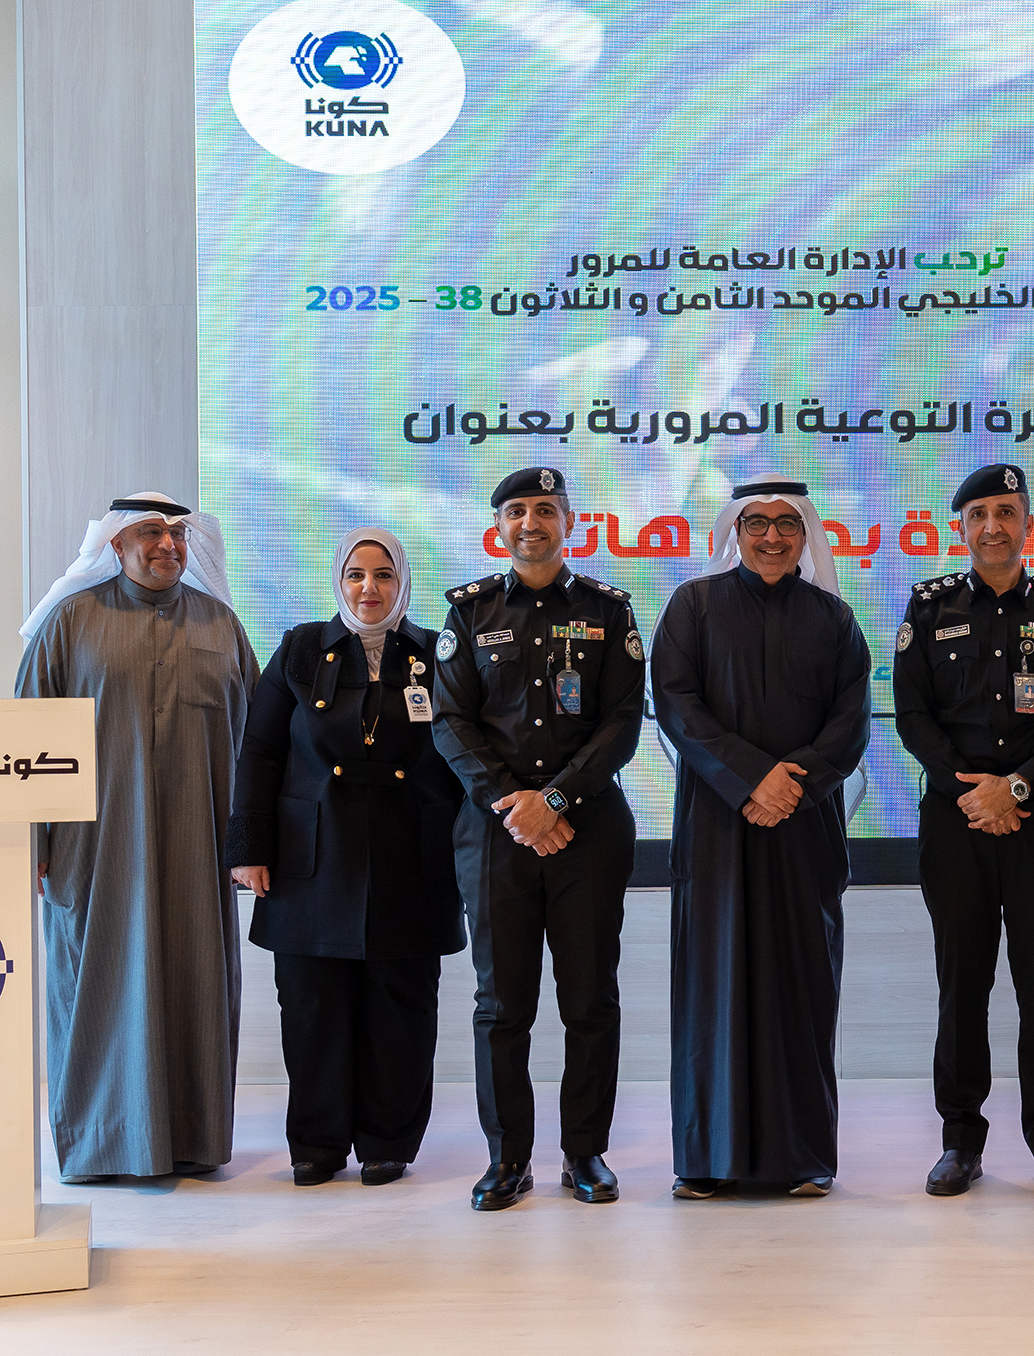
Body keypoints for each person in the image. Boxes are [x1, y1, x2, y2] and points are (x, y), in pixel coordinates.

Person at [15, 492, 257, 1182]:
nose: (167, 546)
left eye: (178, 535)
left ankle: (193, 1140)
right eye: (149, 533)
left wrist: (254, 846)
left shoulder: (221, 626)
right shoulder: (69, 623)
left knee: (196, 990)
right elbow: (31, 738)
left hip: (200, 852)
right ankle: (99, 1143)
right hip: (95, 855)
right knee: (96, 993)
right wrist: (34, 845)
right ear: (114, 545)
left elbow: (259, 748)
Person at [432, 465, 644, 1211]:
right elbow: (451, 722)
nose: (532, 522)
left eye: (546, 509)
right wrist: (512, 806)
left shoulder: (609, 610)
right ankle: (506, 1160)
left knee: (590, 1001)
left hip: (589, 831)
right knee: (502, 1005)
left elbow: (622, 722)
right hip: (495, 837)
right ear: (499, 528)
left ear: (569, 522)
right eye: (518, 511)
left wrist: (552, 800)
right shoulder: (470, 611)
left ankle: (585, 1155)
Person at [225, 528, 464, 1187]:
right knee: (312, 1004)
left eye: (383, 575)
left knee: (400, 1004)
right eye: (356, 574)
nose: (369, 588)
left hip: (411, 856)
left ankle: (388, 1140)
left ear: (403, 582)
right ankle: (319, 1142)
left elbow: (464, 755)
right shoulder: (302, 647)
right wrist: (248, 846)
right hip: (311, 858)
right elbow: (261, 749)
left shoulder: (434, 653)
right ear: (339, 580)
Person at [654, 475, 870, 1200]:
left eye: (786, 524)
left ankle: (803, 1156)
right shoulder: (693, 606)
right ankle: (706, 1158)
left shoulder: (834, 619)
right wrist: (752, 780)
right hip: (718, 830)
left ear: (806, 535)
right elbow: (677, 707)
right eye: (757, 524)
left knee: (802, 988)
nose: (772, 536)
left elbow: (850, 723)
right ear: (733, 533)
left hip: (804, 831)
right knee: (715, 987)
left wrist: (794, 784)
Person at [894, 463, 1034, 1198]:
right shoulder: (929, 605)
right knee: (963, 988)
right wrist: (971, 791)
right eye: (978, 514)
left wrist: (1016, 786)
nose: (992, 526)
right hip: (956, 826)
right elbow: (913, 716)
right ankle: (960, 1142)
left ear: (1028, 527)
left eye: (1006, 512)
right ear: (960, 529)